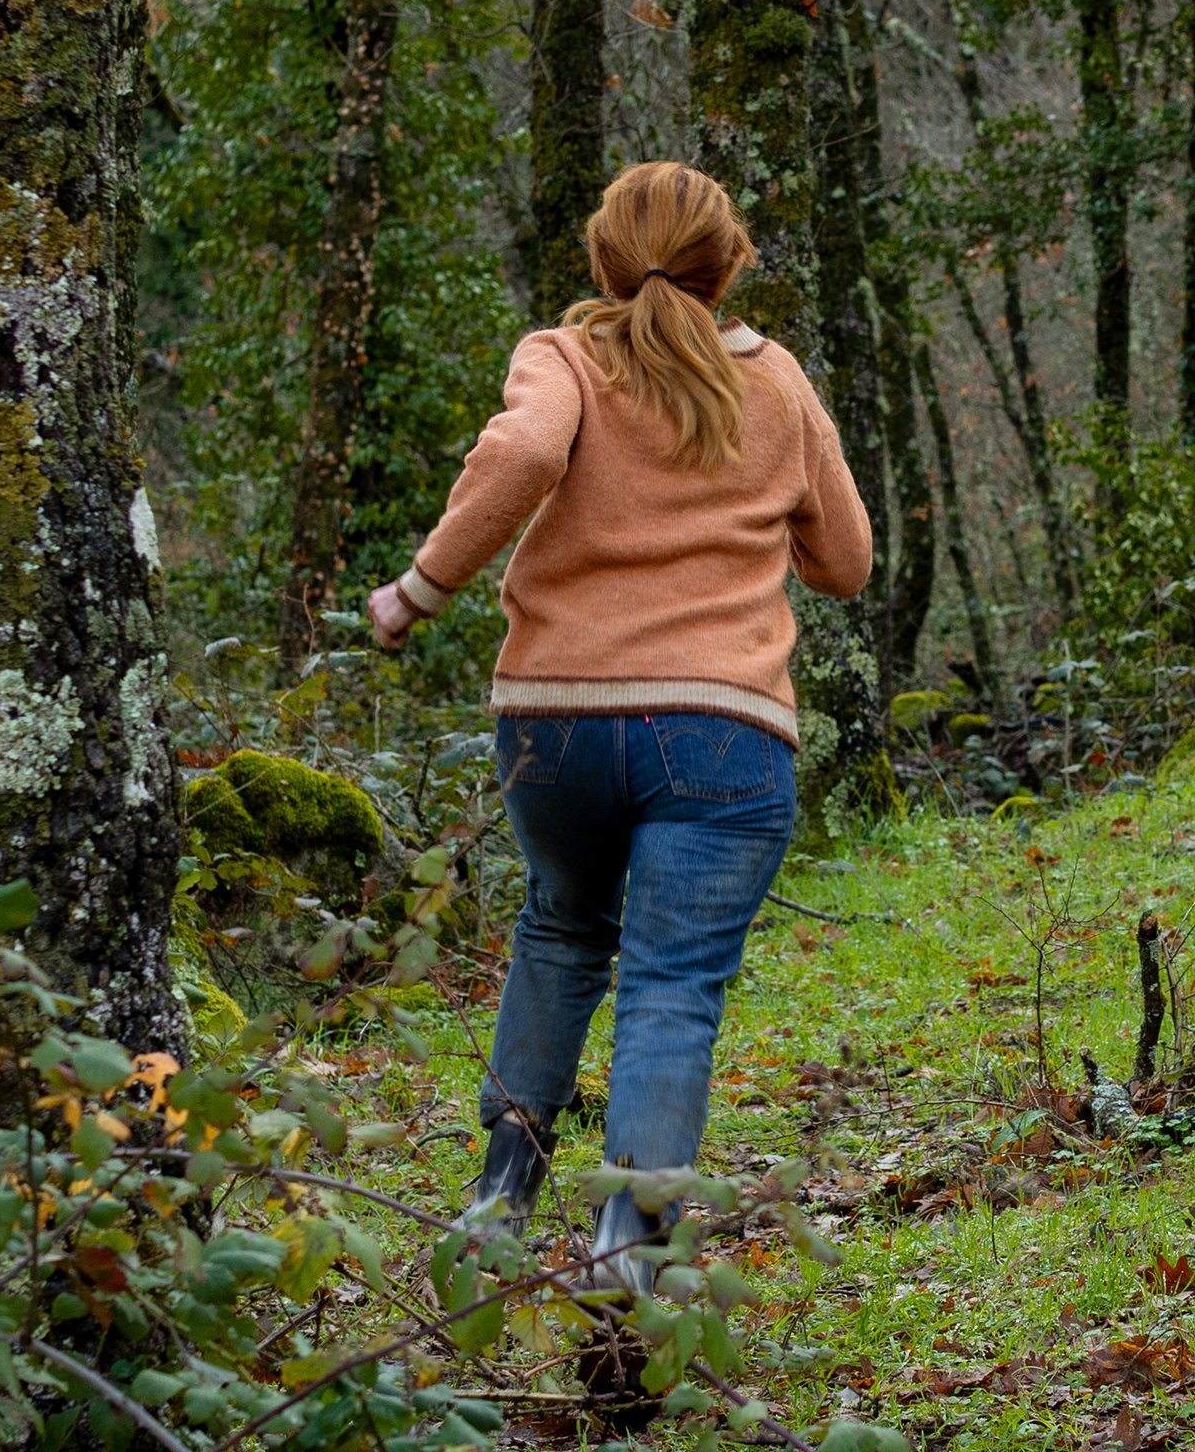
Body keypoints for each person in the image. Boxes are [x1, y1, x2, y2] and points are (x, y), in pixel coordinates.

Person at [367, 161, 871, 1293]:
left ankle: (497, 1205)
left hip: (558, 724)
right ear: (728, 263)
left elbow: (525, 452)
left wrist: (419, 588)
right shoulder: (777, 381)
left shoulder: (564, 356)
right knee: (672, 984)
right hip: (723, 729)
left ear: (603, 261)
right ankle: (629, 1247)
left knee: (560, 929)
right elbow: (845, 563)